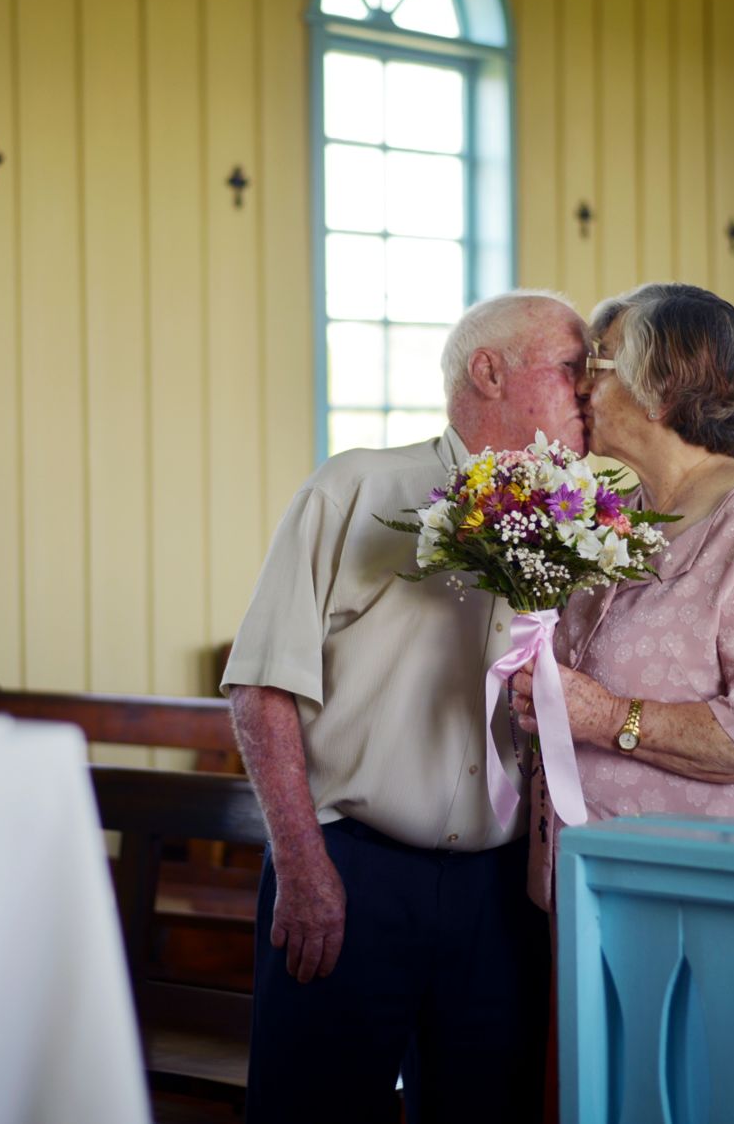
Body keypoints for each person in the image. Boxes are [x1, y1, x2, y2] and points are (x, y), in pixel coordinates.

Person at [222, 289, 588, 1124]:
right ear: (488, 371)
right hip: (351, 869)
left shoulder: (579, 523)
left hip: (497, 895)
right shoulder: (357, 488)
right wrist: (305, 868)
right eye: (571, 371)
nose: (588, 395)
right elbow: (261, 689)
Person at [509, 282, 734, 1123]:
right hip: (595, 900)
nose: (583, 387)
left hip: (709, 911)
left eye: (601, 367)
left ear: (665, 386)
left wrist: (607, 718)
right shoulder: (623, 515)